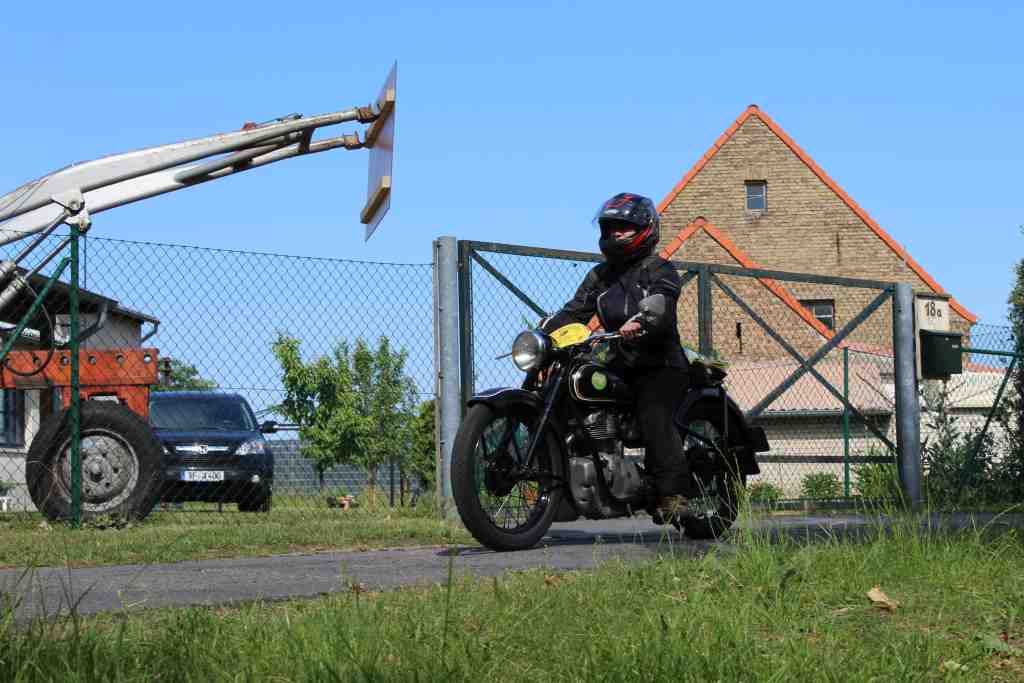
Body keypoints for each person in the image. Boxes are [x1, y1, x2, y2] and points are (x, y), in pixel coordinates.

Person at [540, 192, 693, 522]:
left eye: (624, 227)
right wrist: (545, 332)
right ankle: (560, 490)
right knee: (564, 396)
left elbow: (662, 300)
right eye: (610, 227)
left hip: (660, 363)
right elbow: (574, 312)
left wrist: (643, 319)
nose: (615, 233)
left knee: (653, 412)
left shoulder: (659, 268)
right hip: (620, 362)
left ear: (645, 230)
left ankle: (672, 494)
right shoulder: (600, 276)